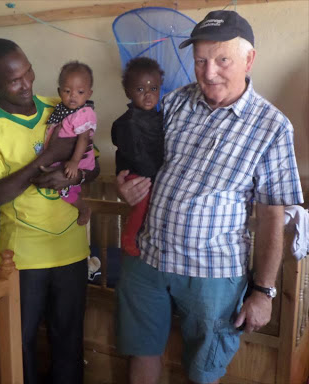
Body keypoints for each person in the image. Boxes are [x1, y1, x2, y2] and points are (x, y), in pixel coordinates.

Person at [115, 10, 304, 384]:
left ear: (249, 60)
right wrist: (127, 187)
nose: (209, 72)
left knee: (205, 370)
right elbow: (144, 162)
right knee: (142, 351)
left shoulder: (272, 127)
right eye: (200, 60)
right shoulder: (174, 104)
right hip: (148, 259)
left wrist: (264, 292)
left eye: (222, 60)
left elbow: (271, 217)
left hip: (213, 275)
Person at [0, 38, 100, 384]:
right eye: (14, 80)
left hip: (70, 247)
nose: (26, 84)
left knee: (69, 341)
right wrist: (46, 158)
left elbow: (94, 166)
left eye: (28, 73)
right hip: (22, 255)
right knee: (20, 342)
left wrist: (74, 173)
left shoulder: (61, 106)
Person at [111, 57, 164, 256]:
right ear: (128, 92)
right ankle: (128, 238)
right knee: (142, 205)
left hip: (151, 173)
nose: (148, 95)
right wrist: (156, 175)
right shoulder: (128, 123)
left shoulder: (161, 117)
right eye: (140, 90)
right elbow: (136, 156)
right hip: (136, 174)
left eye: (154, 89)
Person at [45, 61, 96, 226]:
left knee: (64, 191)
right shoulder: (62, 110)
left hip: (77, 161)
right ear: (59, 92)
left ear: (89, 94)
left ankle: (83, 208)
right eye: (67, 91)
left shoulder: (84, 113)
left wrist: (74, 162)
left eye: (80, 92)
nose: (73, 96)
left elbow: (83, 139)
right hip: (63, 158)